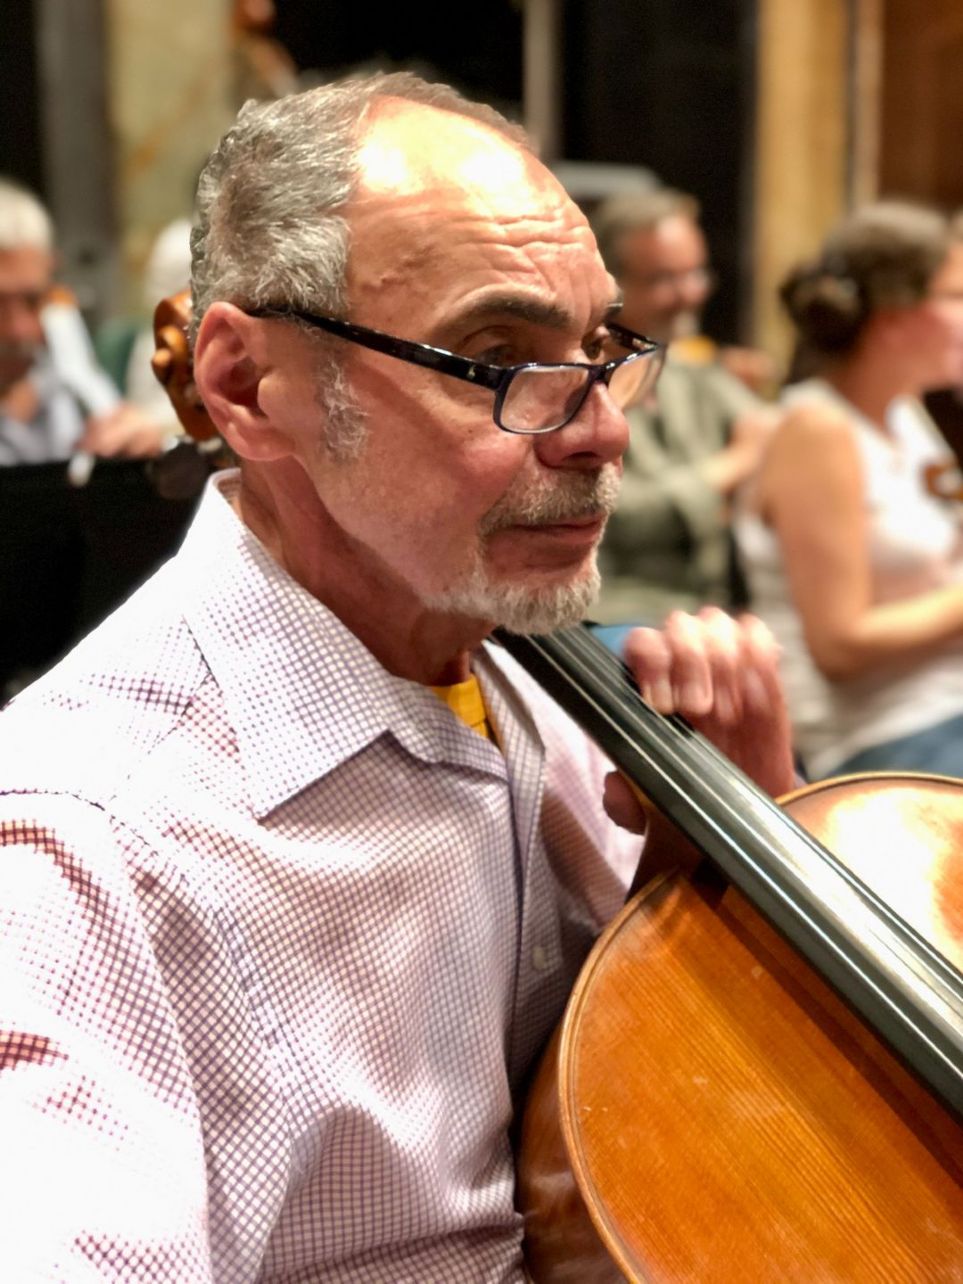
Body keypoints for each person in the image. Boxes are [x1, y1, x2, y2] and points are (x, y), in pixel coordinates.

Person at [0, 74, 795, 1280]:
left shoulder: (526, 681)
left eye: (597, 351)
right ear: (247, 387)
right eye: (497, 358)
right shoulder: (81, 849)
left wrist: (727, 875)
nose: (600, 430)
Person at [736, 200, 963, 779]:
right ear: (893, 319)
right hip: (881, 736)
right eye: (955, 296)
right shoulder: (818, 429)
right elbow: (840, 645)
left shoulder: (905, 412)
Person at [590, 187, 777, 630]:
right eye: (663, 280)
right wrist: (729, 469)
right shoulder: (578, 379)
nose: (689, 294)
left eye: (695, 274)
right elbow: (609, 511)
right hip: (606, 618)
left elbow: (773, 434)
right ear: (609, 285)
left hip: (704, 612)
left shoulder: (688, 369)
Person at [0, 178, 167, 467]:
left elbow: (112, 419)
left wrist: (133, 439)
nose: (19, 330)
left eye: (32, 301)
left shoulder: (57, 339)